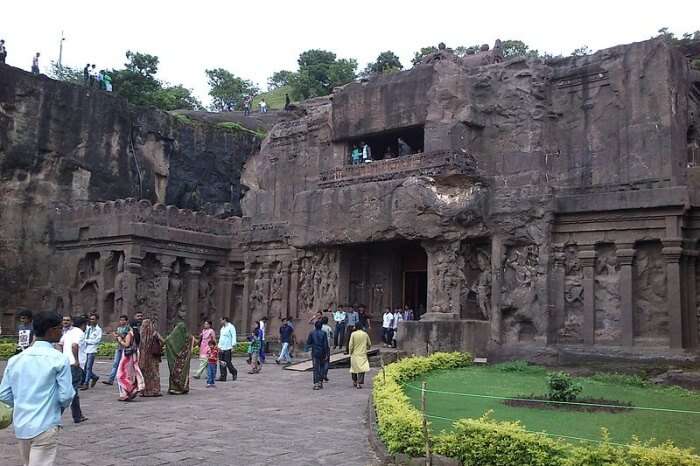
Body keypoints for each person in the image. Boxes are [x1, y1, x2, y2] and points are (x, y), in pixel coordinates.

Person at [0, 311, 75, 466]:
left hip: (21, 424)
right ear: (51, 330)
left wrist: (22, 403)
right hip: (46, 423)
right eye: (60, 328)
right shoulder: (58, 358)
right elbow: (66, 395)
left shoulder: (15, 360)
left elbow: (4, 394)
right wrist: (56, 408)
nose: (62, 331)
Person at [57, 315, 86, 424]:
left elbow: (61, 344)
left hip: (66, 362)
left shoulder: (67, 332)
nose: (65, 322)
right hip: (74, 364)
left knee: (73, 390)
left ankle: (78, 415)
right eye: (64, 320)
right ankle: (56, 414)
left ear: (72, 322)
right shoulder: (78, 332)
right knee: (71, 390)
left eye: (67, 320)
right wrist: (76, 360)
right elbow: (74, 345)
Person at [115, 321, 144, 401]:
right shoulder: (137, 334)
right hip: (134, 355)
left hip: (127, 356)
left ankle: (131, 388)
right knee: (129, 374)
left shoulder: (130, 334)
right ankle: (125, 394)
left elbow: (126, 344)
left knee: (120, 375)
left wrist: (120, 340)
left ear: (129, 325)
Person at [164, 321, 194, 395]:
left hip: (176, 360)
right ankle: (183, 387)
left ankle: (174, 388)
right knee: (183, 373)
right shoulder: (189, 337)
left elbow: (168, 340)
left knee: (175, 371)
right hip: (185, 360)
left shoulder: (174, 336)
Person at [102, 314, 130, 385]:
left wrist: (117, 335)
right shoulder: (119, 328)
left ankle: (125, 379)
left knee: (124, 365)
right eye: (121, 320)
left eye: (123, 320)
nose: (122, 321)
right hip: (119, 347)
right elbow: (117, 338)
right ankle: (110, 379)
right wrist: (116, 336)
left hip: (125, 348)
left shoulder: (128, 328)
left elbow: (123, 335)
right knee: (115, 363)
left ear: (126, 321)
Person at [138, 318, 163, 397]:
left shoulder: (141, 333)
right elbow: (163, 341)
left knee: (144, 373)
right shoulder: (154, 333)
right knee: (154, 373)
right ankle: (155, 390)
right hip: (153, 357)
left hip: (143, 357)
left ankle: (144, 390)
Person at [80, 313, 102, 389]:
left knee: (88, 367)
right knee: (84, 367)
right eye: (91, 319)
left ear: (97, 320)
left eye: (93, 319)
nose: (91, 320)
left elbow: (96, 341)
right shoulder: (88, 328)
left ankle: (86, 383)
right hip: (85, 349)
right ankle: (94, 377)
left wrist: (86, 341)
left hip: (92, 350)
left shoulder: (98, 330)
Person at [306, 320, 329, 390]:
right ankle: (320, 382)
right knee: (322, 367)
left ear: (315, 326)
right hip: (322, 352)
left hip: (315, 352)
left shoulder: (312, 333)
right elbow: (325, 344)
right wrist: (327, 353)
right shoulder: (324, 333)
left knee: (316, 368)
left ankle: (316, 383)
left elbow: (308, 342)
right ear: (321, 326)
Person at [349, 322, 371, 389]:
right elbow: (369, 344)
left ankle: (354, 381)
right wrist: (367, 348)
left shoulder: (353, 334)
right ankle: (359, 382)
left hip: (354, 354)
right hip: (362, 354)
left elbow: (351, 345)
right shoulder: (365, 334)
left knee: (354, 368)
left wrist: (350, 352)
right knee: (362, 369)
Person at [217, 317, 238, 381]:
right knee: (221, 362)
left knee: (227, 362)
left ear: (224, 320)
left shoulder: (231, 327)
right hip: (221, 347)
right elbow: (221, 338)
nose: (220, 322)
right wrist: (218, 346)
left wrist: (233, 346)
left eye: (221, 320)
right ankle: (223, 376)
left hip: (228, 347)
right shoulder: (222, 328)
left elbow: (234, 336)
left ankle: (234, 372)